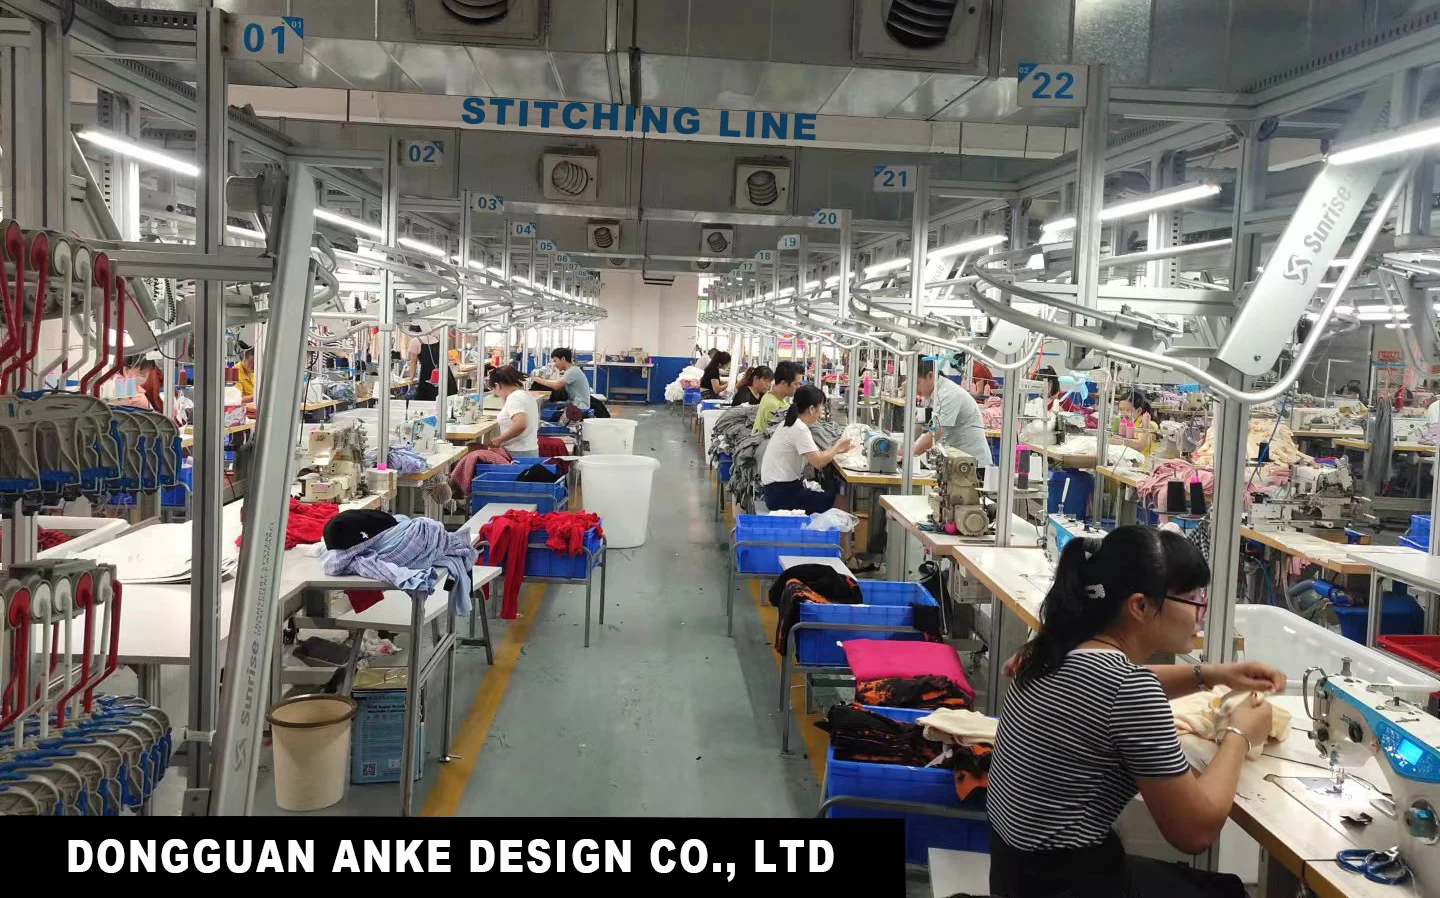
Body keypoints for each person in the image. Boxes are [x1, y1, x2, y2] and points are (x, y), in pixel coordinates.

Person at [987, 526, 1284, 897]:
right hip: (1069, 884)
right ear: (1140, 606)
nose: (1200, 615)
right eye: (1193, 600)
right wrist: (1239, 734)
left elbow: (1115, 690)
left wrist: (1211, 674)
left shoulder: (1051, 651)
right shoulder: (1126, 688)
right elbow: (1195, 833)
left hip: (1018, 874)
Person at [759, 385, 855, 514]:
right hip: (782, 494)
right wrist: (838, 445)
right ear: (811, 409)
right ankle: (846, 528)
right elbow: (818, 462)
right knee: (842, 501)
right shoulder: (799, 428)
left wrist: (836, 451)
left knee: (829, 496)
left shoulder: (789, 423)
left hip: (776, 491)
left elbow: (811, 458)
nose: (821, 412)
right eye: (821, 407)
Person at [908, 359, 994, 466]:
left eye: (917, 383)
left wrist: (908, 455)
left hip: (972, 462)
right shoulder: (929, 395)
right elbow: (920, 426)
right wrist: (904, 447)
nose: (916, 390)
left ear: (930, 376)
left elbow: (935, 433)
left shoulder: (949, 394)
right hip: (955, 459)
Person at [486, 365, 539, 458]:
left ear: (497, 386)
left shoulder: (514, 398)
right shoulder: (525, 394)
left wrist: (500, 439)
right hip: (527, 450)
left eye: (494, 390)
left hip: (518, 453)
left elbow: (521, 424)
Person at [406, 325, 456, 402]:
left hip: (428, 377)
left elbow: (413, 362)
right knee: (445, 403)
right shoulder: (436, 338)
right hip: (445, 375)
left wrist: (411, 379)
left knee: (426, 403)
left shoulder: (415, 340)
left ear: (412, 332)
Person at [754, 361, 802, 432]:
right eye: (796, 384)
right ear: (783, 383)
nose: (799, 387)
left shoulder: (770, 397)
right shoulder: (773, 405)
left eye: (800, 384)